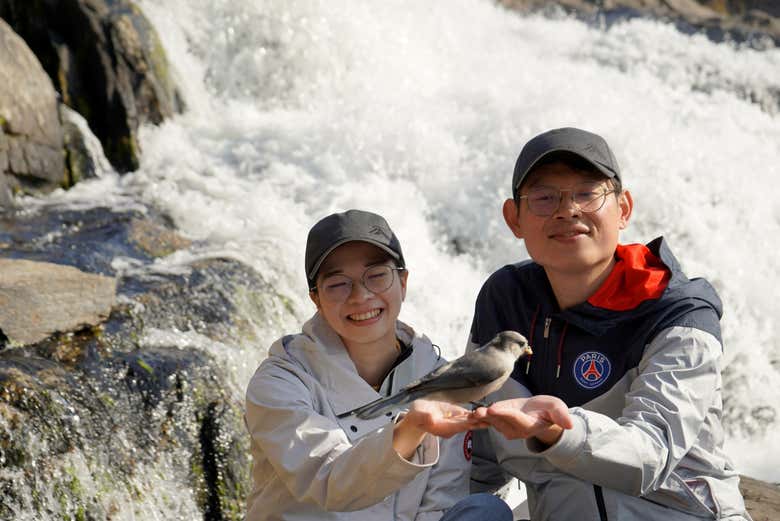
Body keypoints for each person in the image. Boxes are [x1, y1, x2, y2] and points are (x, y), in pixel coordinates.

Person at [467, 127, 752, 520]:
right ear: (513, 218)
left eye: (587, 193)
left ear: (623, 209)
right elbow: (482, 457)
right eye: (545, 197)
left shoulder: (678, 313)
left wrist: (557, 431)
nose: (567, 210)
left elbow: (649, 455)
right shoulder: (505, 299)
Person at [244, 209, 513, 521]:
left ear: (403, 281)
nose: (360, 295)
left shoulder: (444, 379)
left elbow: (439, 505)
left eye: (377, 275)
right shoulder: (280, 381)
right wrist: (412, 429)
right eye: (338, 283)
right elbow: (329, 480)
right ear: (315, 298)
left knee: (486, 511)